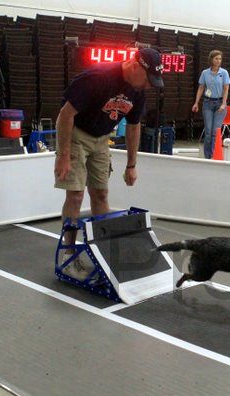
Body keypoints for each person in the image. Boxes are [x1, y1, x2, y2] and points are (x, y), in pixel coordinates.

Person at [54, 48, 164, 280]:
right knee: (75, 195)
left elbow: (134, 127)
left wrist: (131, 164)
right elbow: (65, 115)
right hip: (76, 134)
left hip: (102, 138)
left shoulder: (137, 90)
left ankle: (101, 252)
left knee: (101, 194)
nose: (147, 86)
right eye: (147, 79)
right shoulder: (98, 77)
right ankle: (69, 255)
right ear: (135, 65)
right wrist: (64, 155)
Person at [192, 50, 230, 159]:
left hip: (220, 103)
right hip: (208, 103)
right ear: (211, 60)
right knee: (208, 131)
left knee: (215, 131)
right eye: (216, 59)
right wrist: (196, 103)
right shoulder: (205, 73)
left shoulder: (224, 73)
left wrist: (223, 104)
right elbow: (201, 88)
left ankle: (214, 154)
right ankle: (207, 155)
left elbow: (226, 89)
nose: (218, 61)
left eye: (220, 59)